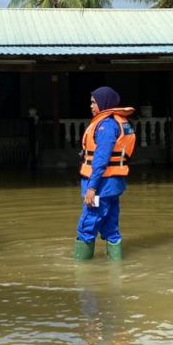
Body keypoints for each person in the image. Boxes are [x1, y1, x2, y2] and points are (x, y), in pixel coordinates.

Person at [74, 86, 136, 260]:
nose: (91, 106)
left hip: (100, 185)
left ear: (103, 103)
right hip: (112, 185)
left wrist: (92, 188)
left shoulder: (106, 126)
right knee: (110, 226)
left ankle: (81, 270)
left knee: (88, 223)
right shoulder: (116, 122)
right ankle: (116, 269)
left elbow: (100, 161)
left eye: (94, 102)